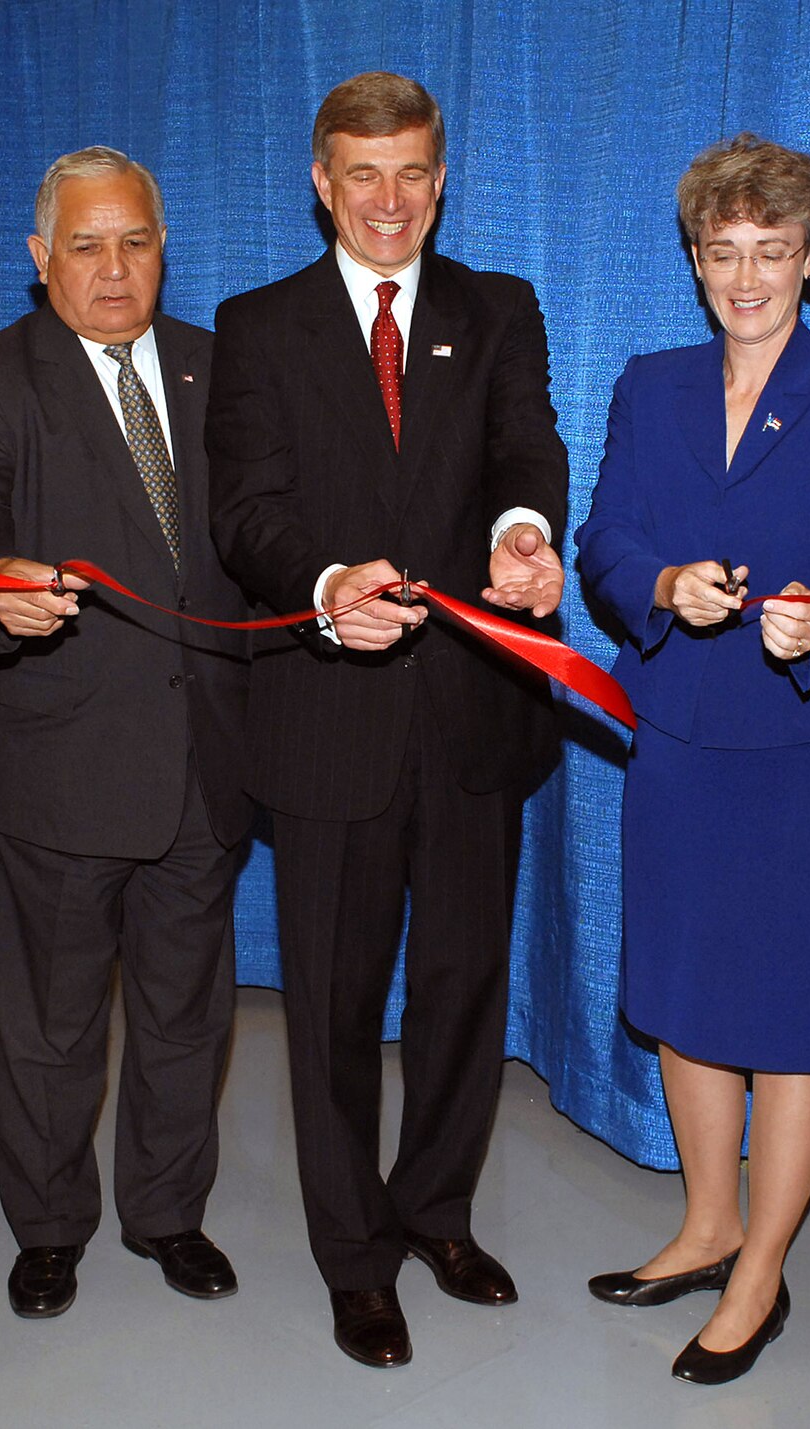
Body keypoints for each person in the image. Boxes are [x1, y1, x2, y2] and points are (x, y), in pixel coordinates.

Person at [206, 71, 568, 1369]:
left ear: (443, 174)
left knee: (465, 992)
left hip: (474, 714)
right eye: (363, 172)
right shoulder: (258, 326)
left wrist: (526, 538)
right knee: (337, 1007)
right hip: (329, 719)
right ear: (321, 180)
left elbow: (528, 453)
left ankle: (437, 1214)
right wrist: (322, 587)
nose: (389, 199)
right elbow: (243, 510)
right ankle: (353, 1256)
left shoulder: (499, 309)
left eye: (412, 170)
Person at [575, 134, 810, 1386]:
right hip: (675, 733)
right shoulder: (649, 383)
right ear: (694, 259)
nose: (748, 276)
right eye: (723, 252)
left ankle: (760, 1268)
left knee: (785, 1018)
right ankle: (706, 1221)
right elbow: (604, 537)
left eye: (772, 252)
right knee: (679, 991)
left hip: (797, 744)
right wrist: (658, 581)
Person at [0, 147, 252, 1320]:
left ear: (166, 246)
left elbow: (266, 533)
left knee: (184, 1015)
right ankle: (49, 1228)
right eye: (84, 244)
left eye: (136, 242)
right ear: (38, 257)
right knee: (47, 1027)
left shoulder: (225, 369)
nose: (114, 270)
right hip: (59, 768)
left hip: (206, 766)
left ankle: (166, 1215)